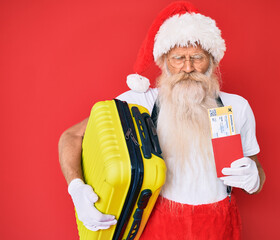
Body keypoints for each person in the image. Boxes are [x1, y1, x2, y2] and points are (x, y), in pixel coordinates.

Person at [58, 1, 265, 239]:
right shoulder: (140, 103)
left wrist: (254, 178)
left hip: (217, 228)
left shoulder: (237, 107)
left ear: (213, 61)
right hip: (157, 226)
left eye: (198, 57)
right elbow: (71, 136)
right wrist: (76, 188)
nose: (188, 67)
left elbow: (257, 172)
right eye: (178, 58)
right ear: (164, 61)